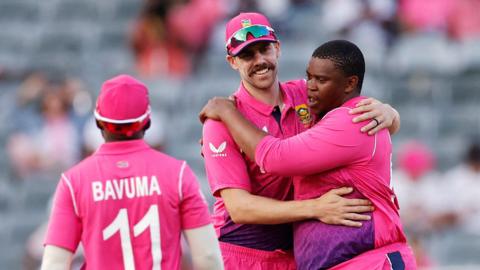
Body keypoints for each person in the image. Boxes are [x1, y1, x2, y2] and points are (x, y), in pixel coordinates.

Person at [201, 12, 402, 270]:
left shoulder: (304, 93)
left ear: (278, 48)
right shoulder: (222, 120)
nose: (259, 60)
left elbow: (359, 123)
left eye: (264, 49)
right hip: (242, 253)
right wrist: (315, 208)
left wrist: (390, 114)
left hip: (293, 254)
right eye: (247, 55)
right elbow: (240, 208)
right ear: (232, 62)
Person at [41, 74, 223, 270]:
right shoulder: (178, 174)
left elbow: (54, 264)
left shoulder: (73, 182)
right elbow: (208, 257)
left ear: (98, 122)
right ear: (147, 122)